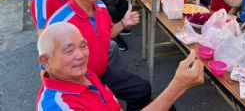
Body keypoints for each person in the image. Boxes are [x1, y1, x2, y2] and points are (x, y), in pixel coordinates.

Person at [46, 0, 151, 110]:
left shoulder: (100, 7)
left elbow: (107, 34)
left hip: (103, 72)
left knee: (142, 89)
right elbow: (47, 67)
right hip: (79, 83)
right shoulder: (60, 23)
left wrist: (123, 23)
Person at [36, 22, 204, 110]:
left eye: (83, 45)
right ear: (45, 61)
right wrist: (179, 85)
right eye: (68, 50)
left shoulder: (83, 74)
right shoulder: (58, 106)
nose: (81, 55)